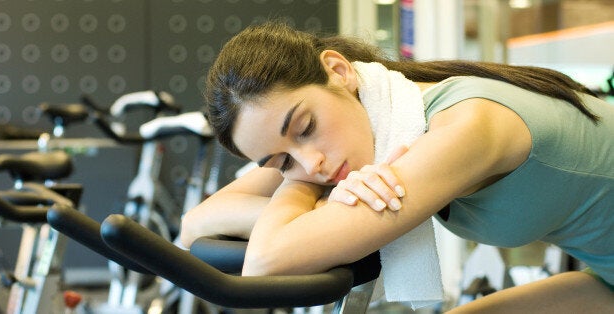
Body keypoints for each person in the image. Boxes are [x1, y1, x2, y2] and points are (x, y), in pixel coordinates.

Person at [180, 22, 613, 313]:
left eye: (306, 128)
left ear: (338, 71)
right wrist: (315, 200)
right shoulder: (378, 119)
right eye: (282, 160)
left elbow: (267, 259)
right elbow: (195, 224)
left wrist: (299, 194)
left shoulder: (467, 124)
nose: (312, 163)